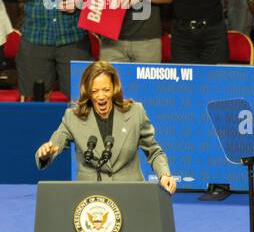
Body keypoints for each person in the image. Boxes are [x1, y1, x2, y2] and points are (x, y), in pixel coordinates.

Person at [35, 59, 176, 191]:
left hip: (130, 192)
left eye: (106, 90)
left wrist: (164, 175)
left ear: (115, 88)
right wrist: (45, 153)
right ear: (87, 92)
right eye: (95, 91)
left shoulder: (135, 112)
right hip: (90, 196)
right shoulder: (73, 117)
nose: (101, 96)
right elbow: (54, 145)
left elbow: (154, 151)